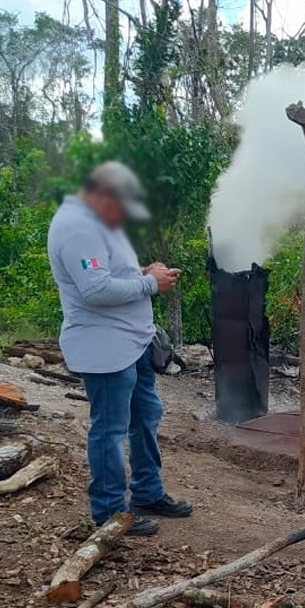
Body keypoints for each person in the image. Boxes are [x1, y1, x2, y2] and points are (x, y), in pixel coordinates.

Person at [47, 161, 193, 536]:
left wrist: (144, 273)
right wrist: (149, 286)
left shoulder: (99, 221)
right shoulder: (78, 227)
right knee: (110, 430)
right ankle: (110, 511)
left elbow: (109, 275)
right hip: (104, 348)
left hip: (131, 342)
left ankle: (147, 492)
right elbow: (95, 290)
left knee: (145, 417)